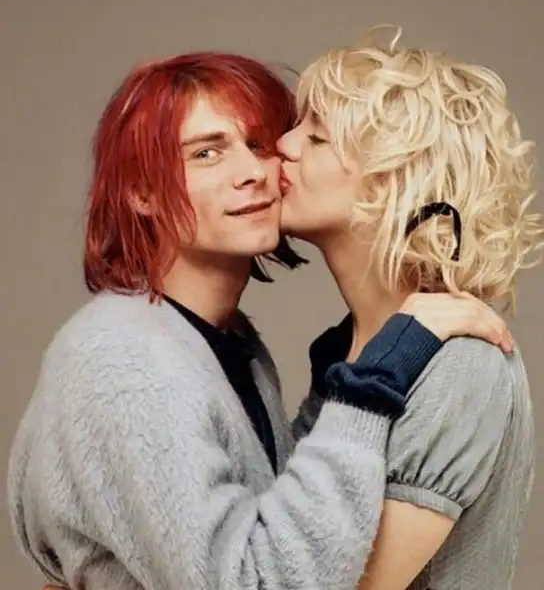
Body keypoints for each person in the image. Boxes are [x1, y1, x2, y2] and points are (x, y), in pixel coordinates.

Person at [7, 52, 511, 590]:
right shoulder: (126, 356)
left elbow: (271, 527)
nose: (252, 172)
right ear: (143, 193)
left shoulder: (228, 345)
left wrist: (336, 389)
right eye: (206, 153)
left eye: (257, 144)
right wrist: (366, 386)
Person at [278, 25, 544, 589]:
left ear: (392, 183)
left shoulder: (462, 365)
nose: (284, 145)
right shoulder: (352, 349)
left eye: (317, 137)